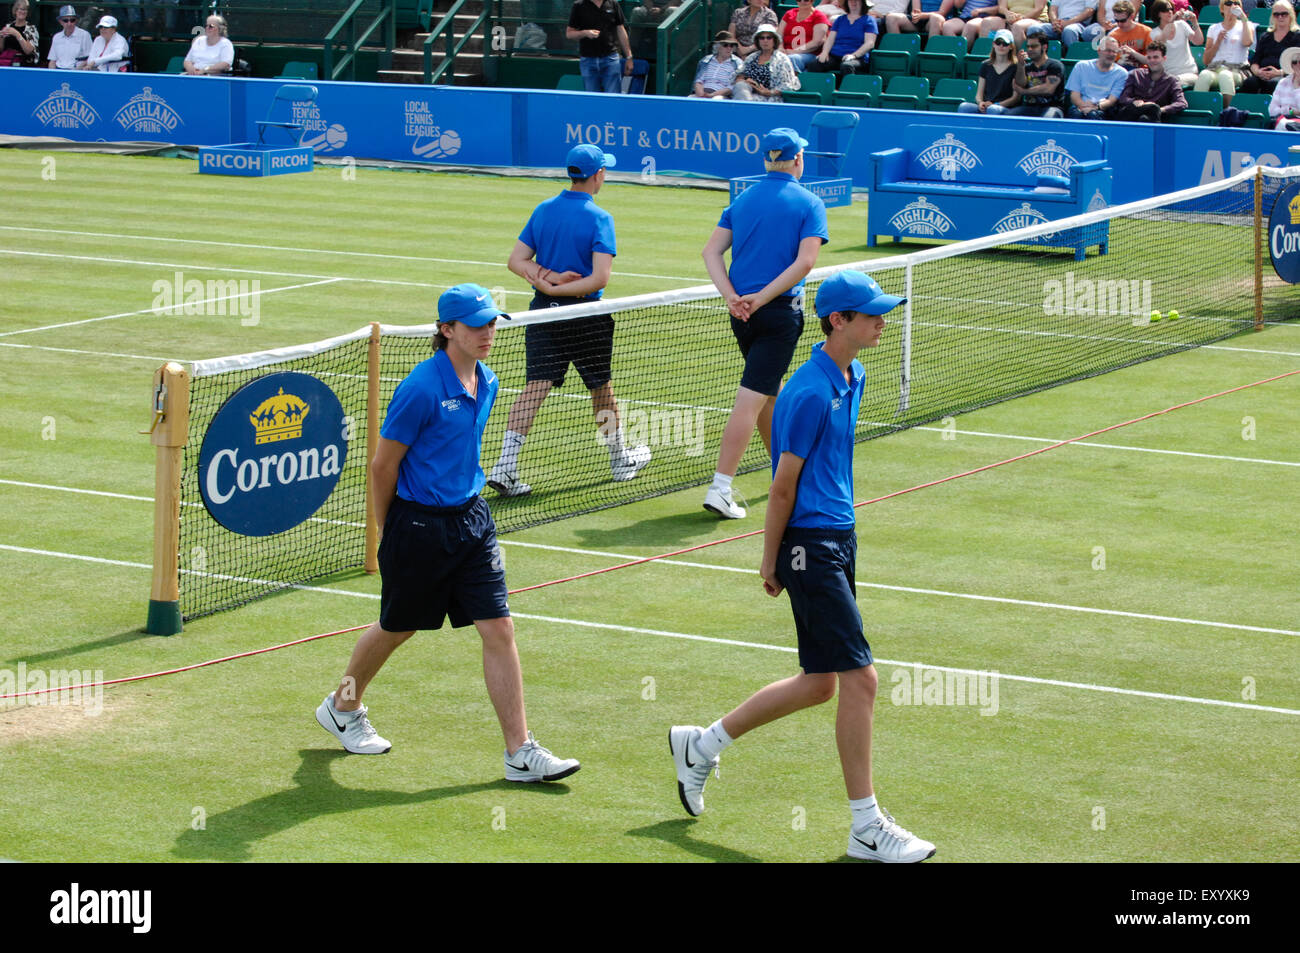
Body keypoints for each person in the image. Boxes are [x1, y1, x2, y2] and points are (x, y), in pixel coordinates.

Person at [669, 270, 936, 864]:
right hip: (808, 547)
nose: (882, 321)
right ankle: (866, 826)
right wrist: (771, 560)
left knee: (821, 683)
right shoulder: (808, 392)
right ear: (838, 320)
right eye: (871, 314)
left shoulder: (853, 373)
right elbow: (782, 485)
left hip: (840, 538)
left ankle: (701, 745)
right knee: (861, 678)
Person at [315, 283, 580, 784]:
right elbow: (382, 466)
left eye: (491, 324)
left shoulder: (490, 381)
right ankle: (342, 706)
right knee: (398, 626)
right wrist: (387, 532)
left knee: (499, 628)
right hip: (417, 526)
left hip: (473, 521)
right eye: (475, 326)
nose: (487, 333)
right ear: (446, 330)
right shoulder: (419, 389)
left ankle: (519, 751)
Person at [488, 144, 651, 498]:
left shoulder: (544, 209)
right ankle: (619, 460)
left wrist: (547, 280)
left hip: (543, 310)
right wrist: (562, 287)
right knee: (601, 388)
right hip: (584, 313)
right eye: (603, 170)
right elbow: (599, 279)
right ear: (597, 175)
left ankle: (505, 465)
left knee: (535, 387)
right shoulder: (600, 218)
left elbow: (516, 261)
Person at [700, 128, 827, 520]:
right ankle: (721, 487)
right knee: (751, 400)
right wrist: (762, 297)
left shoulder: (743, 198)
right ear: (798, 160)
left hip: (743, 316)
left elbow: (711, 252)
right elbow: (805, 264)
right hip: (777, 314)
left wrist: (733, 297)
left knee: (770, 396)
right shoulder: (809, 202)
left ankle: (787, 474)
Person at [567, 0, 634, 93]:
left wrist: (629, 57)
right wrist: (585, 33)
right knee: (592, 100)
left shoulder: (613, 4)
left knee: (613, 98)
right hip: (588, 60)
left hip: (610, 58)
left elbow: (621, 30)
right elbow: (569, 34)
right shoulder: (579, 5)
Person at [1195, 0, 1255, 102]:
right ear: (1222, 8)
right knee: (1204, 75)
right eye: (1228, 3)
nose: (1233, 6)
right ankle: (1199, 110)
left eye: (1236, 4)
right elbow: (1206, 61)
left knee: (1225, 75)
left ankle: (1228, 113)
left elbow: (1247, 42)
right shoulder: (1213, 28)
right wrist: (1217, 42)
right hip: (1215, 68)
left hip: (1237, 70)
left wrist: (1244, 18)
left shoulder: (1246, 25)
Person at [1112, 39, 1186, 119]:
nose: (1152, 61)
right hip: (1133, 113)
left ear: (1164, 59)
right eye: (1149, 58)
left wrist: (1160, 109)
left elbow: (1181, 103)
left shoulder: (1172, 81)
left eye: (1156, 57)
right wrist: (1134, 102)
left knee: (1148, 115)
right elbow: (1123, 98)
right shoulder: (1136, 74)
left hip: (1152, 117)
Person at [1240, 0, 1300, 94]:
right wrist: (1258, 72)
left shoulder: (1297, 36)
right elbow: (1255, 61)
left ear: (1291, 15)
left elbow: (1298, 65)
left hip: (1286, 75)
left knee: (1273, 84)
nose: (1280, 17)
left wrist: (1279, 72)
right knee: (1249, 83)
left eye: (1284, 14)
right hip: (1263, 75)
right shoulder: (1266, 36)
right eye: (1276, 14)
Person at [808, 0, 878, 77]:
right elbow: (830, 39)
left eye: (857, 0)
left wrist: (854, 55)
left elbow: (870, 43)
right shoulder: (840, 20)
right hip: (835, 55)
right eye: (850, 0)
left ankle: (848, 88)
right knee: (814, 64)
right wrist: (825, 52)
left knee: (847, 66)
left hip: (858, 58)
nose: (853, 2)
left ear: (863, 3)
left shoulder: (869, 20)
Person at [732, 23, 800, 100]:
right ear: (757, 41)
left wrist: (768, 92)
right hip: (747, 91)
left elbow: (788, 85)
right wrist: (746, 80)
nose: (765, 41)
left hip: (770, 97)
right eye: (762, 38)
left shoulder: (782, 59)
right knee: (736, 88)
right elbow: (739, 75)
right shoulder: (751, 57)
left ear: (774, 40)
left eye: (769, 38)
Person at [959, 28, 1022, 111]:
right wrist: (981, 103)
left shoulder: (1016, 67)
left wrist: (996, 104)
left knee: (993, 109)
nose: (1001, 46)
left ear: (1011, 46)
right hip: (987, 106)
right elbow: (979, 94)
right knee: (964, 107)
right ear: (993, 44)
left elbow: (1015, 98)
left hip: (1005, 108)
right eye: (998, 43)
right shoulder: (985, 65)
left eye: (1005, 44)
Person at [1066, 33, 1127, 116]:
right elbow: (1074, 95)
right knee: (1076, 114)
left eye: (1115, 52)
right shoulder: (1082, 66)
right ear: (1099, 50)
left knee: (1093, 115)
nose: (1111, 54)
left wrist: (1096, 107)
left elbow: (1112, 100)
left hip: (1103, 110)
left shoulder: (1121, 73)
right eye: (1108, 51)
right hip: (1079, 106)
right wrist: (1084, 106)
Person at [1008, 30, 1066, 115]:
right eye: (1028, 46)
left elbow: (1048, 89)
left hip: (1052, 107)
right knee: (1009, 116)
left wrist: (1024, 92)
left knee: (1048, 118)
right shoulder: (1027, 67)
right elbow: (1020, 84)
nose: (1030, 49)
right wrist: (1020, 65)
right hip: (1030, 107)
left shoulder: (1055, 65)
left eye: (1034, 46)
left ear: (1044, 47)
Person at [1148, 0, 1202, 85]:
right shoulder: (1154, 33)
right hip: (1167, 75)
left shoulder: (1182, 25)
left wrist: (1194, 22)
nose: (1169, 12)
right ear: (1158, 14)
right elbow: (1161, 41)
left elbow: (1198, 41)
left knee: (1173, 81)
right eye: (1165, 10)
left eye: (1171, 9)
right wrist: (1172, 21)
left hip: (1189, 73)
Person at [1025, 0, 1101, 53]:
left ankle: (1070, 59)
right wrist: (1055, 22)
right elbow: (1052, 9)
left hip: (1079, 24)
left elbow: (1089, 11)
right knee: (1033, 29)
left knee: (1069, 30)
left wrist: (1067, 23)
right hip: (1058, 23)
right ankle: (1036, 58)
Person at [691, 30, 744, 97]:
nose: (729, 48)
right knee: (688, 100)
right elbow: (698, 80)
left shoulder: (738, 63)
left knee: (717, 99)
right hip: (702, 92)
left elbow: (732, 87)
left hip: (721, 95)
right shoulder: (706, 60)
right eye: (725, 45)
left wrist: (712, 95)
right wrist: (701, 95)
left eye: (731, 45)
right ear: (717, 46)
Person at [782, 0, 832, 70]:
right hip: (787, 52)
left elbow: (818, 42)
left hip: (809, 54)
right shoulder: (789, 14)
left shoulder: (819, 16)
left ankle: (792, 80)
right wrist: (780, 48)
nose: (802, 1)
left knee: (792, 59)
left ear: (812, 1)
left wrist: (795, 51)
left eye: (806, 0)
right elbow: (778, 35)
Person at [1108, 0, 1151, 70]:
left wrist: (1133, 53)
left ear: (1132, 16)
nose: (1119, 24)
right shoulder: (1113, 35)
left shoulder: (1146, 32)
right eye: (1117, 21)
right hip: (1120, 71)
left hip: (1142, 71)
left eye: (1123, 21)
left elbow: (1152, 61)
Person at [885, 0, 954, 38]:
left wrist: (922, 15)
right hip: (919, 19)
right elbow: (916, 10)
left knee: (936, 18)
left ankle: (931, 53)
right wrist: (915, 15)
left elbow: (942, 12)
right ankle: (898, 51)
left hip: (935, 21)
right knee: (891, 18)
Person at [1268, 45, 1300, 126]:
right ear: (1291, 65)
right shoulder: (1283, 82)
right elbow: (1272, 111)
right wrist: (1291, 111)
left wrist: (1296, 87)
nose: (1297, 65)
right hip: (1283, 121)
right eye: (1294, 62)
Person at [0, 0, 38, 67]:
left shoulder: (31, 29)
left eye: (25, 10)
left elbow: (28, 51)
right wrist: (1, 37)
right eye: (21, 9)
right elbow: (1, 49)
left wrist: (17, 34)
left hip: (25, 64)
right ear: (15, 11)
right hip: (7, 63)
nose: (23, 12)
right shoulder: (8, 26)